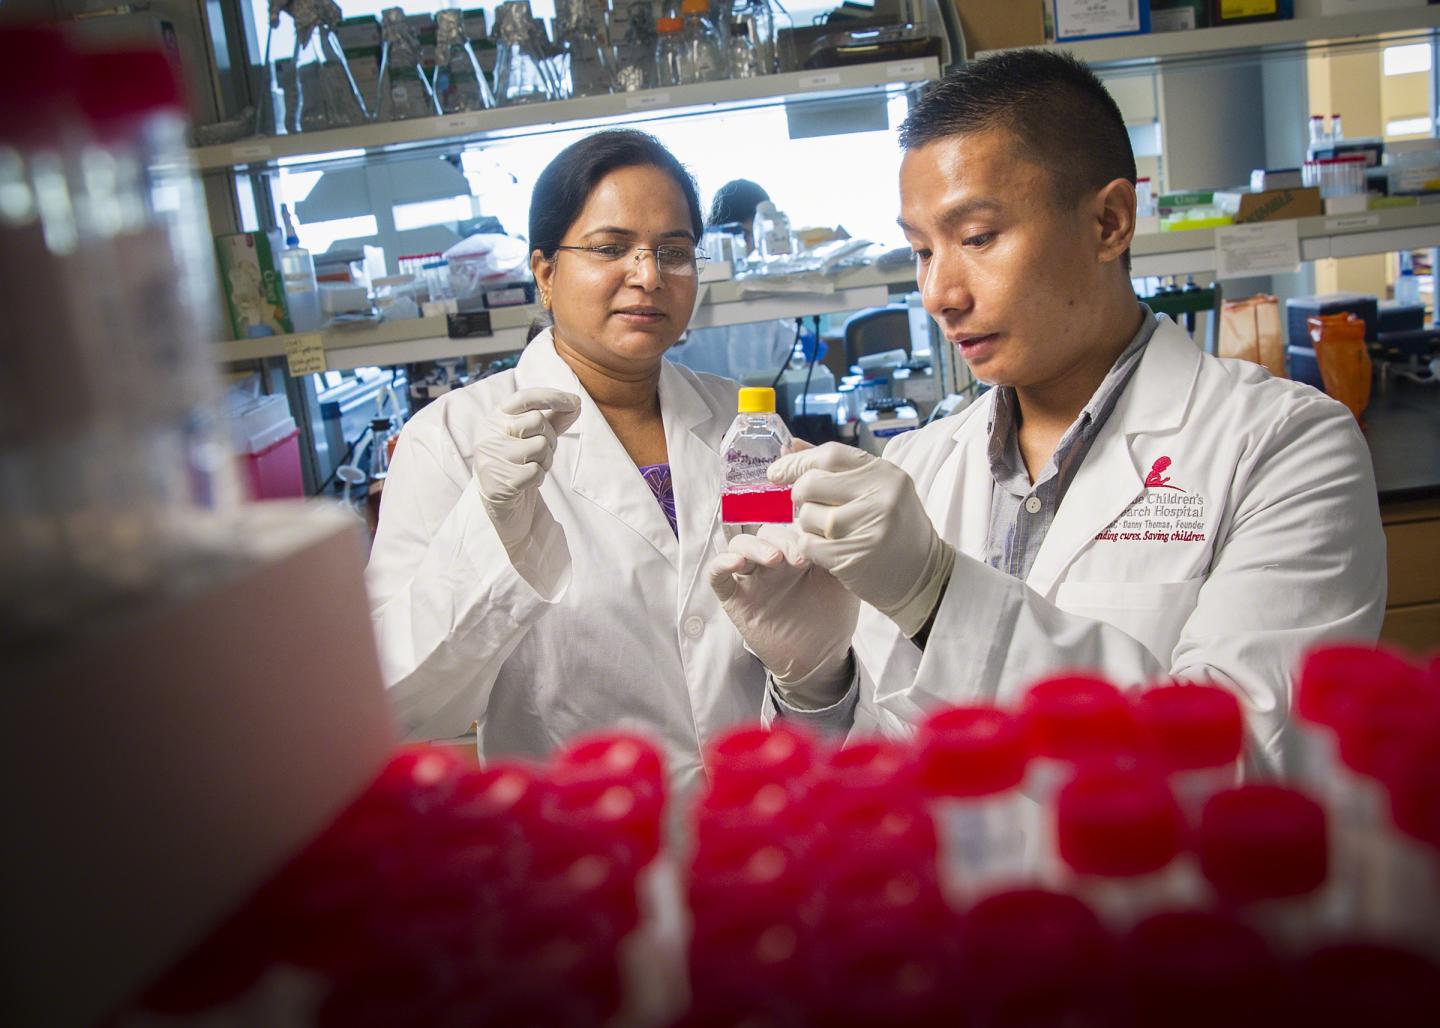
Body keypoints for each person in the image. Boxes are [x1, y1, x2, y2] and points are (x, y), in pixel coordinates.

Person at [707, 50, 1386, 772]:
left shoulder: (1288, 450)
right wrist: (818, 686)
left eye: (976, 238)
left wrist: (939, 599)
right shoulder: (919, 465)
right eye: (920, 251)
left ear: (1109, 222)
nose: (940, 292)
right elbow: (878, 784)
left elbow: (1245, 765)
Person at [367, 130, 771, 790]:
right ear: (546, 273)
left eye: (674, 252)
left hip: (757, 826)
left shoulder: (741, 423)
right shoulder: (450, 437)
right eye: (611, 248)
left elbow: (784, 616)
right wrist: (489, 528)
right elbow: (402, 702)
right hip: (584, 842)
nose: (648, 276)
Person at [667, 177, 796, 382]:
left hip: (760, 407)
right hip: (700, 405)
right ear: (716, 232)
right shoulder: (688, 285)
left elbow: (786, 358)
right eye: (742, 235)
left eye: (755, 236)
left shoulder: (762, 286)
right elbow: (668, 360)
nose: (749, 246)